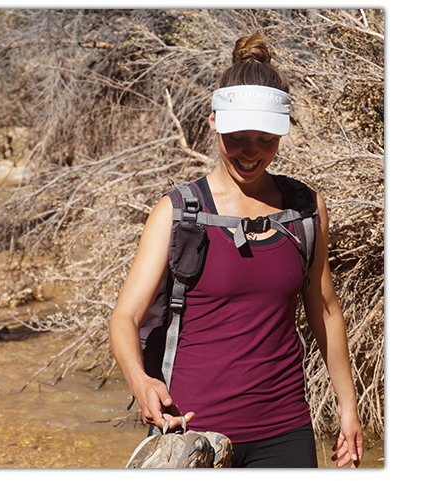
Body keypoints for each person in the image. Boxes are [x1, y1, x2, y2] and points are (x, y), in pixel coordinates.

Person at [109, 33, 365, 468]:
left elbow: (325, 311)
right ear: (213, 122)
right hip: (190, 433)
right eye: (238, 136)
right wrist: (139, 380)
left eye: (266, 138)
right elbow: (125, 317)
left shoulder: (305, 208)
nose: (252, 151)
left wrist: (348, 405)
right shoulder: (177, 213)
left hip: (285, 430)